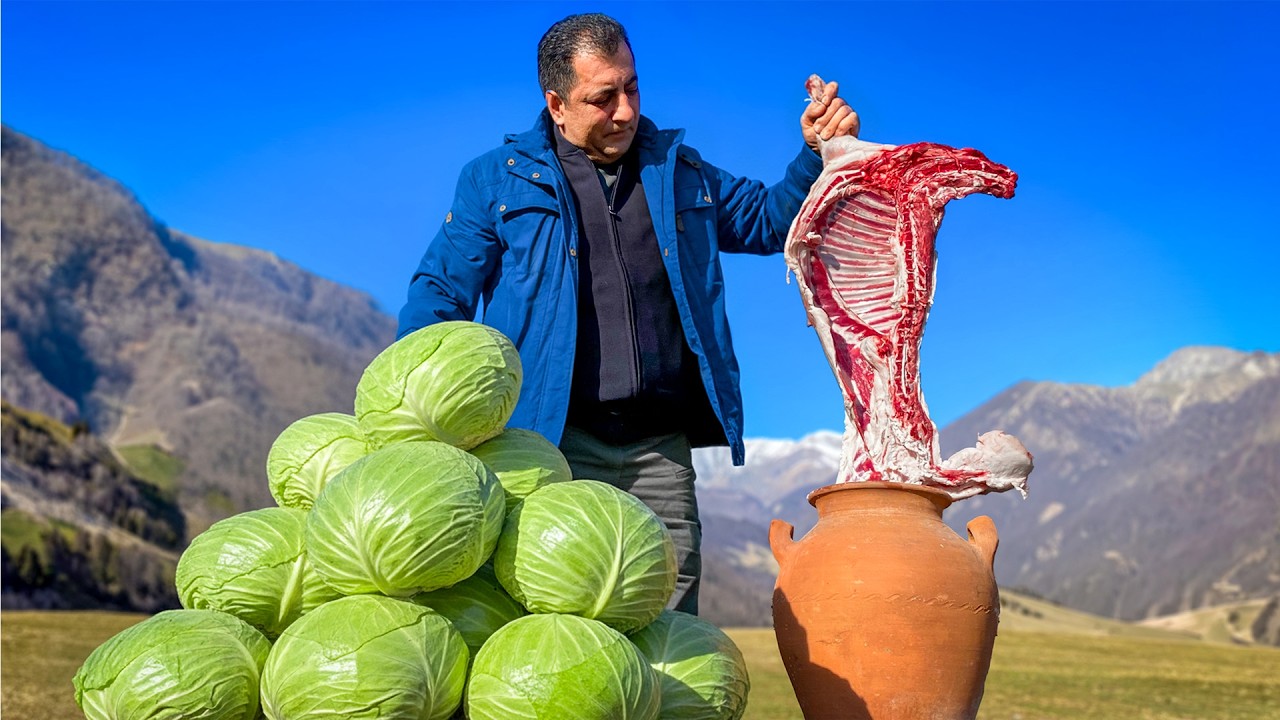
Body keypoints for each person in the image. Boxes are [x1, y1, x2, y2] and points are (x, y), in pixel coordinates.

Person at [398, 13, 859, 614]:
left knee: (666, 629)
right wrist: (424, 415)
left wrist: (815, 153)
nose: (625, 111)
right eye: (603, 97)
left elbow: (771, 219)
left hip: (658, 453)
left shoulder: (679, 170)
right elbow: (439, 293)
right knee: (551, 624)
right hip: (547, 446)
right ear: (557, 103)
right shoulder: (497, 181)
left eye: (632, 88)